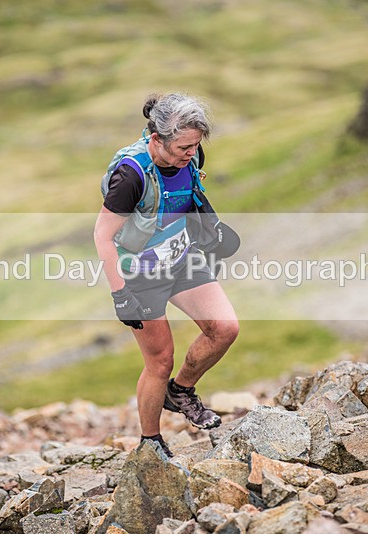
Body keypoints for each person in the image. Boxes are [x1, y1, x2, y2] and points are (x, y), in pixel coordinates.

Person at [94, 93, 240, 458]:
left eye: (195, 145)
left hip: (181, 259)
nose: (191, 153)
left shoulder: (191, 157)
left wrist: (212, 230)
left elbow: (188, 197)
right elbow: (102, 235)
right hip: (140, 274)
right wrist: (120, 294)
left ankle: (181, 391)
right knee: (160, 361)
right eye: (183, 147)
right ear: (157, 139)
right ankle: (150, 442)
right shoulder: (132, 175)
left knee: (225, 328)